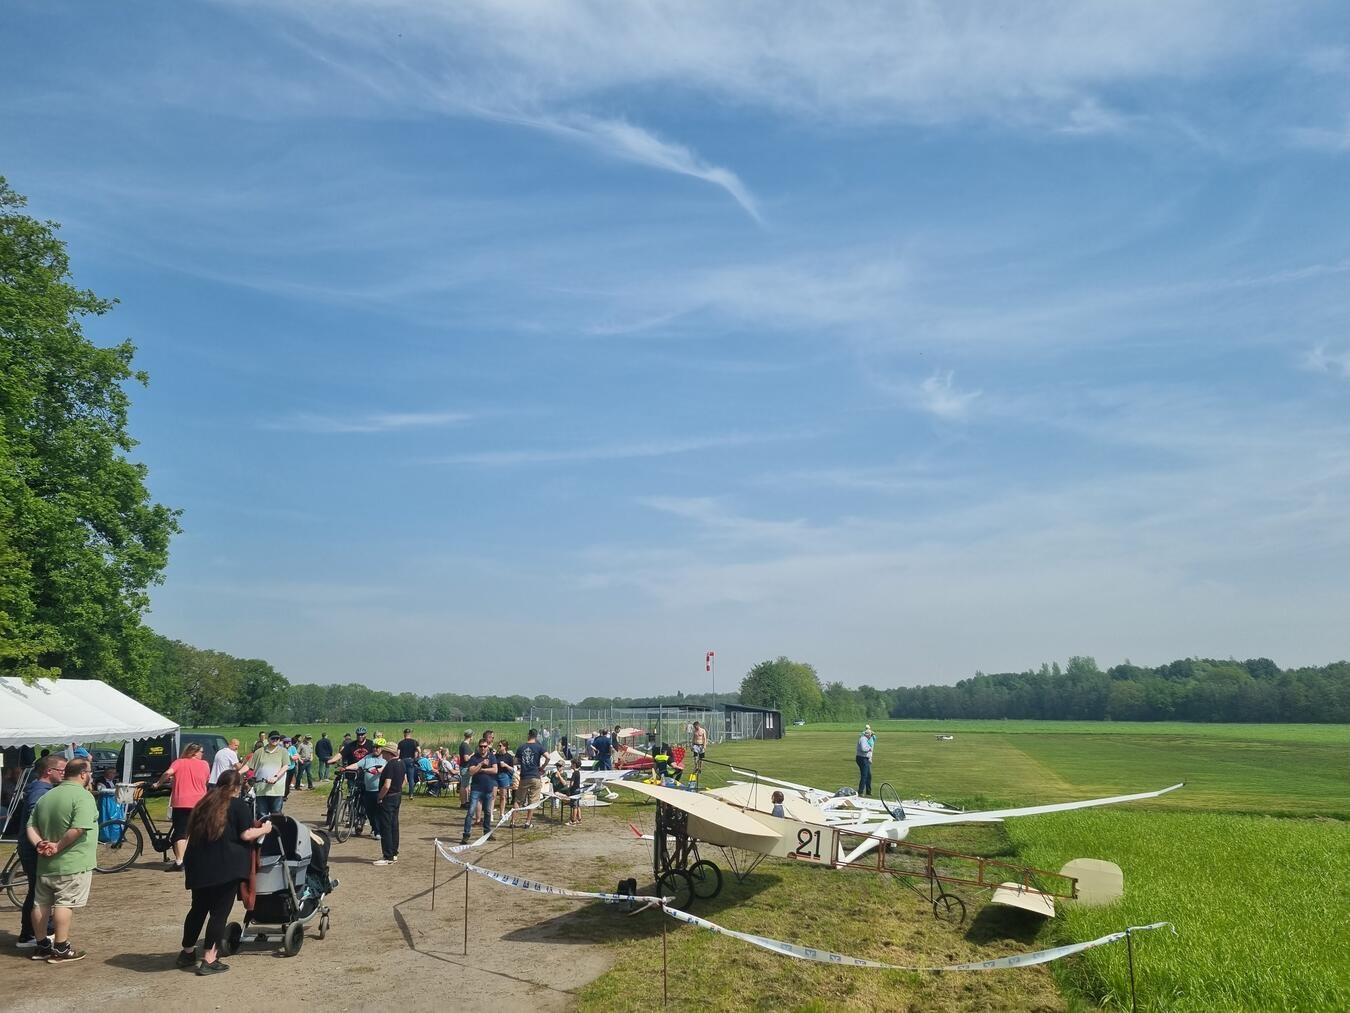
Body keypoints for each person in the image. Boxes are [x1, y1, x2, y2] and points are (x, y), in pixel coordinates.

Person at [175, 770, 271, 975]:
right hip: (225, 866)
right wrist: (265, 829)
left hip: (199, 865)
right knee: (219, 913)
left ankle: (187, 952)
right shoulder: (237, 805)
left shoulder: (203, 804)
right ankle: (209, 958)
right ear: (237, 787)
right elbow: (246, 834)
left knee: (198, 909)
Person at [25, 758, 98, 963]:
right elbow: (79, 827)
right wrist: (57, 846)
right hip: (72, 862)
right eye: (89, 771)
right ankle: (61, 947)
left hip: (45, 864)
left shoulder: (47, 795)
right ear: (83, 774)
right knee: (65, 903)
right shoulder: (83, 796)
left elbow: (30, 826)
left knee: (40, 904)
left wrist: (40, 844)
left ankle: (41, 946)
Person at [15, 755, 64, 950]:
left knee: (36, 892)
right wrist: (48, 841)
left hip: (32, 848)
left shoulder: (41, 788)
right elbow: (36, 816)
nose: (64, 774)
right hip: (34, 849)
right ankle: (34, 934)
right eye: (61, 770)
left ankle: (31, 933)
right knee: (39, 893)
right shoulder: (40, 791)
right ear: (48, 771)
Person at [156, 743, 210, 870]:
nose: (202, 754)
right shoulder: (205, 765)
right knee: (196, 832)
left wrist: (158, 783)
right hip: (200, 802)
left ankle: (180, 861)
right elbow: (206, 780)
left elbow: (168, 773)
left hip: (181, 802)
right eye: (201, 751)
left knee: (181, 832)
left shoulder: (179, 762)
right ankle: (197, 859)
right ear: (194, 752)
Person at [344, 738, 389, 839]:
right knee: (370, 812)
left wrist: (378, 770)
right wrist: (346, 768)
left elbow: (385, 767)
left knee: (379, 812)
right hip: (368, 790)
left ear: (382, 749)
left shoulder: (385, 759)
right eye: (374, 747)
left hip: (379, 790)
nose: (375, 749)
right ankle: (374, 828)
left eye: (377, 747)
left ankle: (379, 831)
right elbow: (357, 765)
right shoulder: (367, 757)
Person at [461, 739, 498, 845]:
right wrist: (481, 764)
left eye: (485, 746)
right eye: (481, 746)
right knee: (470, 812)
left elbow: (495, 770)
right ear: (478, 747)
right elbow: (471, 772)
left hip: (488, 788)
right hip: (476, 789)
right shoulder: (474, 758)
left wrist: (482, 770)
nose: (483, 748)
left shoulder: (492, 757)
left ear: (488, 747)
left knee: (487, 812)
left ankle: (487, 833)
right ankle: (466, 835)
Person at [373, 741, 404, 865]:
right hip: (397, 796)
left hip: (388, 798)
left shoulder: (390, 765)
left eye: (384, 752)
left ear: (389, 753)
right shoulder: (401, 763)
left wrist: (380, 797)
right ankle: (394, 853)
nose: (382, 754)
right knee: (394, 825)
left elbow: (387, 785)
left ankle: (388, 856)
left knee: (385, 826)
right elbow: (404, 780)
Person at [247, 731, 290, 817]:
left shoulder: (283, 751)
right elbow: (249, 765)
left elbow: (285, 766)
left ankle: (274, 830)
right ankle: (263, 830)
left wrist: (276, 777)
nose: (275, 740)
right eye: (273, 738)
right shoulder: (259, 752)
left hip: (277, 789)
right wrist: (238, 772)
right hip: (261, 789)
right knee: (262, 814)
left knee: (276, 813)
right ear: (268, 739)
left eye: (277, 738)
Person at [514, 729, 546, 830]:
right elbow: (548, 757)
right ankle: (528, 822)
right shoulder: (539, 746)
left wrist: (523, 762)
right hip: (535, 776)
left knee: (518, 800)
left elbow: (515, 761)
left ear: (528, 735)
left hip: (524, 776)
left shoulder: (521, 747)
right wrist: (542, 767)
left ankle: (513, 821)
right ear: (536, 736)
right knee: (533, 801)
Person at [493, 741, 514, 823]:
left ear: (505, 747)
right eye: (498, 745)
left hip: (504, 775)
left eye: (500, 745)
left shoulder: (509, 757)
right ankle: (490, 813)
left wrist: (505, 765)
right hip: (495, 775)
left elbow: (512, 769)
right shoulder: (496, 756)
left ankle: (501, 813)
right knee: (493, 795)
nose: (499, 746)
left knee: (503, 796)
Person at [397, 729, 419, 795]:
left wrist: (397, 760)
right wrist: (416, 758)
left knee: (401, 776)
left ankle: (398, 791)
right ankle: (411, 794)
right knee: (411, 778)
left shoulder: (401, 743)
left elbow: (398, 753)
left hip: (402, 760)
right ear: (410, 734)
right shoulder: (414, 742)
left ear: (404, 734)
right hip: (410, 760)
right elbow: (419, 750)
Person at [457, 730, 475, 809]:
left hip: (464, 767)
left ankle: (465, 801)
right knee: (464, 785)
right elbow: (466, 758)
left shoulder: (463, 745)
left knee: (466, 785)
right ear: (471, 736)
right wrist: (472, 754)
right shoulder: (465, 745)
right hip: (465, 767)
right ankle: (463, 803)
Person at [855, 725, 874, 797]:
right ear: (868, 735)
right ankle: (860, 791)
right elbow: (863, 749)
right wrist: (869, 749)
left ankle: (868, 791)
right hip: (862, 758)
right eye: (870, 735)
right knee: (864, 775)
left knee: (869, 775)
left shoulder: (865, 739)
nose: (871, 736)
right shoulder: (863, 739)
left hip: (864, 758)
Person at [567, 758, 583, 825]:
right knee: (577, 805)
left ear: (574, 764)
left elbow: (572, 783)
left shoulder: (574, 773)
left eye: (572, 764)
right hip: (578, 790)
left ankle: (573, 820)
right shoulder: (578, 772)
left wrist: (568, 787)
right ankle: (579, 819)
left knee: (574, 806)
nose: (571, 765)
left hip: (574, 791)